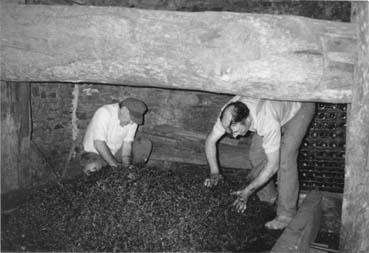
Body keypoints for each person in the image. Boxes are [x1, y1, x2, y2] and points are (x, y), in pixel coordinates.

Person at [204, 96, 315, 230]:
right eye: (230, 131)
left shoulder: (266, 121)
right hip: (275, 109)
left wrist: (247, 192)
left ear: (247, 119)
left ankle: (286, 215)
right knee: (256, 155)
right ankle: (269, 198)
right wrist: (214, 172)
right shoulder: (228, 114)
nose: (234, 136)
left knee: (285, 158)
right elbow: (210, 141)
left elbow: (272, 166)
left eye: (236, 131)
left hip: (299, 108)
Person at [80, 98, 152, 175]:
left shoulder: (133, 121)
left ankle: (130, 172)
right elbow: (99, 144)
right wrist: (116, 166)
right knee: (92, 167)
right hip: (95, 153)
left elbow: (127, 144)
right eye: (131, 119)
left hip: (116, 152)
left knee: (144, 144)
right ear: (124, 109)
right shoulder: (104, 112)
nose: (132, 123)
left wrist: (126, 165)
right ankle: (110, 169)